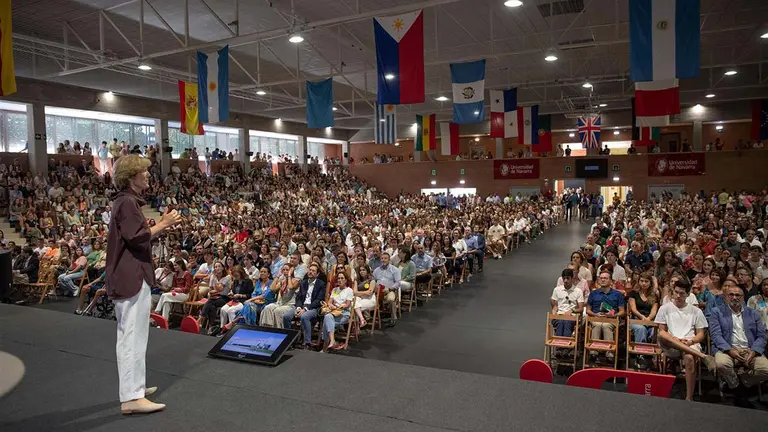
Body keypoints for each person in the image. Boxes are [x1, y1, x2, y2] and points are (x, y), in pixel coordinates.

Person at [106, 154, 181, 415]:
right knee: (132, 337)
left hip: (132, 274)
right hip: (131, 275)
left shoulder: (128, 202)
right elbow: (136, 238)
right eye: (144, 171)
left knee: (136, 335)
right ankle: (130, 397)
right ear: (131, 176)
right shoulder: (127, 202)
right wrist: (163, 224)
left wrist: (157, 226)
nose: (148, 175)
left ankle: (135, 388)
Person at [655, 279, 717, 401]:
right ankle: (703, 356)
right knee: (661, 335)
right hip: (670, 343)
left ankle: (689, 397)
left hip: (689, 342)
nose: (678, 296)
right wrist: (674, 339)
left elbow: (701, 334)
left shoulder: (696, 311)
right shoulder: (665, 308)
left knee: (689, 358)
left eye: (682, 293)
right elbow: (662, 330)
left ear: (688, 294)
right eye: (676, 292)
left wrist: (691, 341)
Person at [708, 281, 768, 408]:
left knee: (766, 369)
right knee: (721, 364)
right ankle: (738, 389)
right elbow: (716, 335)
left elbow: (762, 336)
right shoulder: (716, 312)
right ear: (726, 296)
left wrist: (754, 351)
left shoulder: (754, 313)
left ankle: (739, 383)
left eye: (738, 295)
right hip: (727, 349)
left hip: (750, 350)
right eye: (731, 294)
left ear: (743, 298)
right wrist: (730, 350)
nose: (734, 297)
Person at [585, 267, 625, 361]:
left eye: (605, 278)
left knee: (606, 326)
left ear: (611, 281)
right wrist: (595, 315)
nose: (603, 280)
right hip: (596, 318)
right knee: (598, 325)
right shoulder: (593, 293)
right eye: (601, 278)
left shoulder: (617, 294)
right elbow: (588, 310)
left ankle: (609, 354)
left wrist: (613, 315)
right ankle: (593, 353)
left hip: (611, 319)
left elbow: (622, 311)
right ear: (598, 280)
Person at [627, 272, 659, 369]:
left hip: (649, 320)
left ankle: (652, 357)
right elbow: (633, 309)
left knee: (654, 331)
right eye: (642, 281)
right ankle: (640, 356)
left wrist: (648, 319)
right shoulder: (633, 293)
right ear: (638, 281)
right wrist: (642, 318)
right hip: (636, 320)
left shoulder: (654, 295)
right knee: (641, 329)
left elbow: (654, 310)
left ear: (650, 283)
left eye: (646, 281)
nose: (644, 283)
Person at [294, 264, 327, 349]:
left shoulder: (321, 284)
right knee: (286, 316)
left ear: (317, 274)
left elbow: (319, 300)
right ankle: (291, 340)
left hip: (314, 308)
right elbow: (299, 298)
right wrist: (298, 307)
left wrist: (305, 309)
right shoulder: (303, 283)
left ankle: (307, 342)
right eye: (310, 270)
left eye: (313, 271)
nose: (310, 272)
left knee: (304, 317)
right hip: (301, 306)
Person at [321, 272, 354, 352]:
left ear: (346, 280)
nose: (340, 280)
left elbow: (347, 304)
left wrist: (341, 306)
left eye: (342, 278)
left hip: (343, 313)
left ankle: (325, 346)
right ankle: (332, 341)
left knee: (327, 320)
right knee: (328, 317)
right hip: (333, 312)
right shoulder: (335, 289)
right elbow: (329, 302)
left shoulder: (349, 290)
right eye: (338, 278)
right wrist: (331, 305)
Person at [550, 268, 584, 337]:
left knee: (567, 322)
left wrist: (572, 311)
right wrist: (554, 310)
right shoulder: (557, 290)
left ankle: (565, 346)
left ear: (572, 279)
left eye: (568, 278)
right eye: (564, 278)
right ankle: (560, 345)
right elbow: (555, 305)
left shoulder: (578, 291)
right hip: (559, 316)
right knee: (561, 321)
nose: (565, 281)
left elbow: (581, 309)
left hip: (572, 317)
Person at [219, 265, 254, 329]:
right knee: (223, 310)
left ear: (241, 274)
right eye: (234, 276)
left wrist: (240, 295)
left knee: (231, 311)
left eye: (237, 275)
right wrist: (231, 293)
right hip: (235, 300)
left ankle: (233, 329)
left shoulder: (248, 282)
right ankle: (222, 328)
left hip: (243, 301)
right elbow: (234, 291)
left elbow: (249, 295)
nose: (235, 277)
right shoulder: (235, 281)